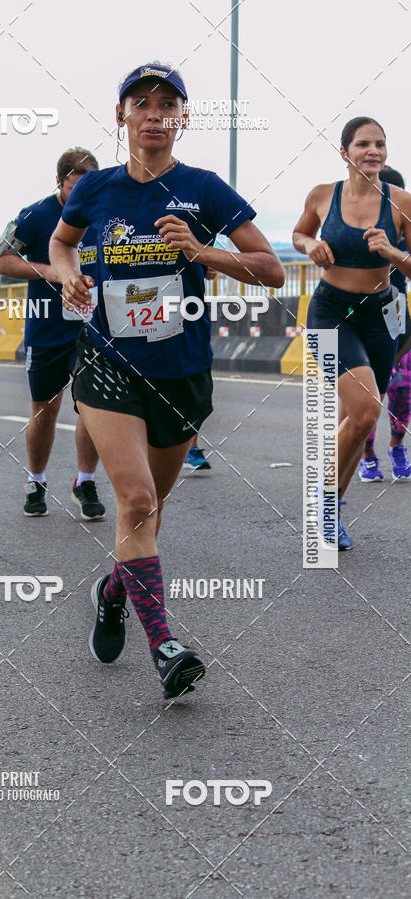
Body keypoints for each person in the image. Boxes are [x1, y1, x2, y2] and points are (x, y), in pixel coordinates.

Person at [50, 63, 284, 698]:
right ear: (122, 114)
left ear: (182, 117)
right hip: (106, 366)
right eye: (141, 103)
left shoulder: (204, 188)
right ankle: (165, 646)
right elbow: (61, 242)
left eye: (167, 104)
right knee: (135, 502)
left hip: (180, 372)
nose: (154, 114)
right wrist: (68, 273)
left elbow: (271, 270)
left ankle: (114, 588)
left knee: (150, 510)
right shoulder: (94, 189)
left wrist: (202, 252)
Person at [293, 118, 411, 549]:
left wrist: (393, 253)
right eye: (363, 144)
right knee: (365, 411)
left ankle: (332, 510)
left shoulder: (401, 203)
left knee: (359, 420)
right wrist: (309, 247)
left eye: (380, 144)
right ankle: (322, 502)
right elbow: (300, 232)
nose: (373, 151)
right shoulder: (323, 195)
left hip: (379, 317)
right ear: (345, 152)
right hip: (329, 311)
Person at [0, 148, 105, 520]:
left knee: (92, 405)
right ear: (60, 181)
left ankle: (85, 481)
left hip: (95, 325)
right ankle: (36, 479)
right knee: (45, 410)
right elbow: (1, 260)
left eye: (91, 180)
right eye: (76, 182)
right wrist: (54, 272)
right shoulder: (36, 215)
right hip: (47, 327)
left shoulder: (106, 211)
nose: (84, 188)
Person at [357, 166, 411, 482]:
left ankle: (396, 446)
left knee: (402, 388)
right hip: (359, 319)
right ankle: (366, 455)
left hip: (398, 317)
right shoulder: (353, 230)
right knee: (366, 393)